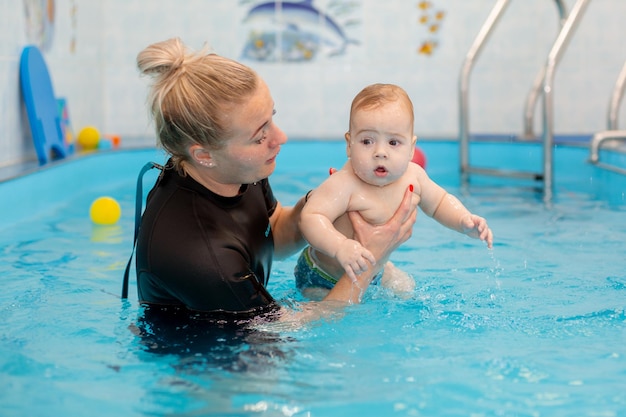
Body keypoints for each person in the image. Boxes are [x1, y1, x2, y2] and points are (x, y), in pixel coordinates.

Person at [132, 39, 417, 322]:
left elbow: (273, 232)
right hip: (207, 356)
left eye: (272, 118)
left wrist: (318, 206)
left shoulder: (232, 170)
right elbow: (286, 328)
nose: (280, 138)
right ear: (204, 154)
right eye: (260, 135)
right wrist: (372, 260)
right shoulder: (203, 257)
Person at [296, 83, 493, 298]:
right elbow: (310, 217)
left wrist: (464, 221)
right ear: (349, 144)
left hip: (376, 268)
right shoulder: (345, 184)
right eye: (367, 141)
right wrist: (340, 247)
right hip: (323, 276)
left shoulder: (414, 176)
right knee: (330, 316)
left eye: (393, 142)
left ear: (411, 147)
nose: (380, 152)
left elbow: (439, 203)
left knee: (406, 289)